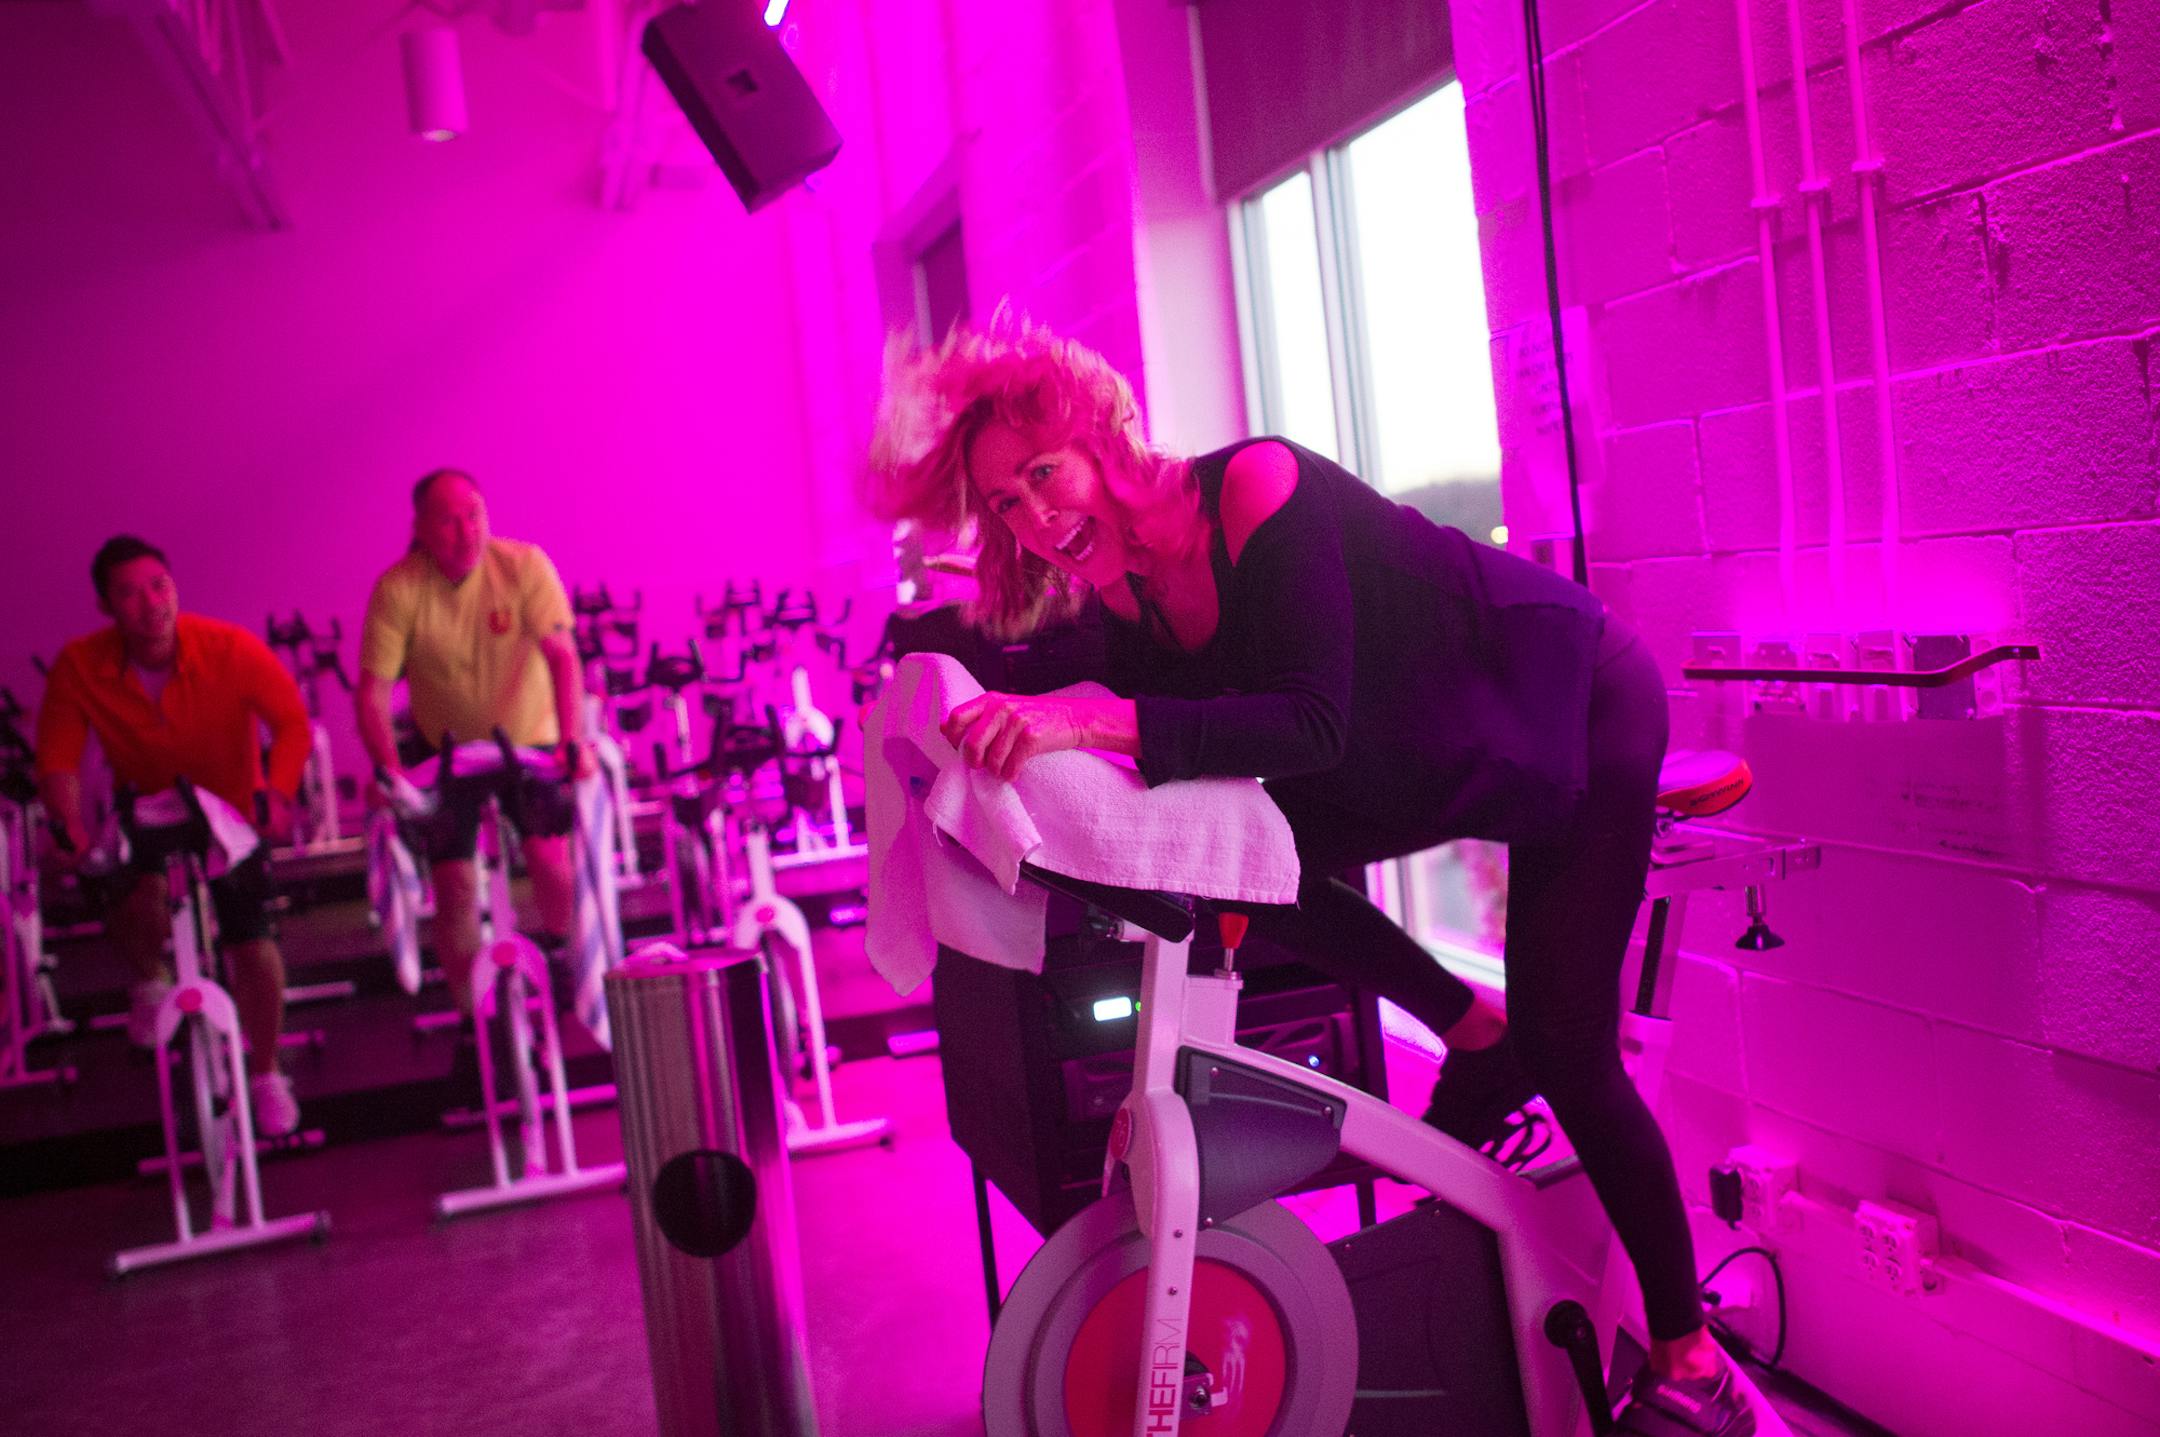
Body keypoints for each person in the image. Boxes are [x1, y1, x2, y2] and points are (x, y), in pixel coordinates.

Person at [868, 318, 1751, 1437]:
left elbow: (1309, 723)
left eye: (1042, 476)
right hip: (1430, 755)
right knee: (1243, 869)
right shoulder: (1127, 591)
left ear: (1101, 430)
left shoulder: (1257, 489)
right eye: (1006, 505)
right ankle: (1468, 1028)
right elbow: (1079, 682)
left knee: (1573, 1049)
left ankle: (1690, 1355)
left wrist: (1088, 721)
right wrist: (934, 663)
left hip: (1570, 699)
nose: (1036, 521)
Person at [35, 536, 310, 1137]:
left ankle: (264, 1074)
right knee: (124, 891)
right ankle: (149, 981)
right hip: (149, 813)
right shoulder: (81, 665)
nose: (150, 604)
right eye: (129, 594)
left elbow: (291, 721)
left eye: (159, 585)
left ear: (174, 587)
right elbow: (57, 759)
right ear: (107, 606)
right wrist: (68, 825)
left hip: (232, 815)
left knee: (253, 945)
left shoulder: (228, 648)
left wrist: (279, 793)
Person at [353, 469, 591, 1086]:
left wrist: (572, 742)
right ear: (422, 529)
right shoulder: (399, 589)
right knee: (455, 888)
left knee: (549, 858)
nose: (465, 531)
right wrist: (388, 769)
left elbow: (564, 658)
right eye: (448, 519)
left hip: (531, 743)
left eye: (474, 514)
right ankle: (471, 1019)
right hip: (449, 755)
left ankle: (566, 970)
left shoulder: (524, 566)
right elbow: (373, 695)